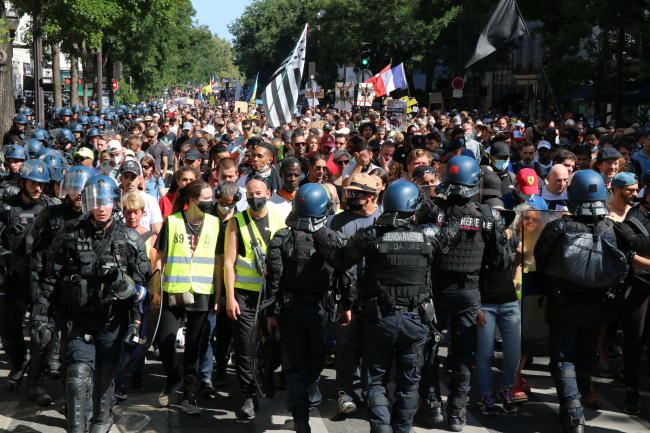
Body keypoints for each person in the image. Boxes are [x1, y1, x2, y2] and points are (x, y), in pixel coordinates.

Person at [313, 182, 460, 433]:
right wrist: (430, 206)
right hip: (416, 321)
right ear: (413, 206)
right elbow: (451, 229)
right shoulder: (428, 236)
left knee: (375, 381)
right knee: (408, 385)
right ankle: (401, 429)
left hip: (380, 320)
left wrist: (318, 234)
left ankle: (381, 428)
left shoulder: (370, 235)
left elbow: (339, 260)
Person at [32, 175, 150, 432]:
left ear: (115, 202)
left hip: (113, 320)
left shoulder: (130, 239)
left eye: (106, 201)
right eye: (96, 201)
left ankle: (101, 419)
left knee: (104, 374)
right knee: (76, 378)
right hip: (77, 317)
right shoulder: (69, 234)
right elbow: (50, 281)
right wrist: (41, 317)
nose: (101, 206)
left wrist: (136, 324)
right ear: (87, 202)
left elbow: (142, 290)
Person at [415, 155, 507, 432]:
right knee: (464, 352)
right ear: (473, 182)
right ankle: (457, 411)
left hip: (435, 290)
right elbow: (500, 261)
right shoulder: (488, 216)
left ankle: (431, 405)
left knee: (429, 348)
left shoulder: (431, 211)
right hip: (469, 291)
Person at [534, 170, 629, 433]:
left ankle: (573, 412)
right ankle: (583, 395)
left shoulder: (560, 226)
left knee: (563, 358)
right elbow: (623, 264)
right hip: (598, 304)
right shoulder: (611, 228)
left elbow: (541, 259)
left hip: (564, 303)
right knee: (585, 353)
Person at [265, 183, 356, 433]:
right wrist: (347, 306)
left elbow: (273, 279)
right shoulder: (334, 238)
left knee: (294, 364)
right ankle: (308, 403)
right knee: (315, 361)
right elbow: (347, 278)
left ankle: (300, 416)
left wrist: (270, 313)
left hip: (290, 310)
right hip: (321, 311)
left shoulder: (283, 237)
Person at [28, 165, 95, 406]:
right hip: (51, 284)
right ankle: (35, 385)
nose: (78, 194)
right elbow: (35, 250)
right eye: (75, 188)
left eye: (83, 189)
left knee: (75, 342)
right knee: (42, 335)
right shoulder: (51, 214)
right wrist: (37, 282)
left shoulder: (95, 217)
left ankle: (73, 395)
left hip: (80, 290)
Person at [153, 179, 221, 415]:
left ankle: (189, 396)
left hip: (203, 292)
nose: (212, 202)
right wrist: (155, 289)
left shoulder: (215, 223)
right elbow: (159, 257)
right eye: (207, 199)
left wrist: (218, 295)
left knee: (194, 346)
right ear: (192, 200)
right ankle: (173, 378)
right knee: (164, 340)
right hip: (174, 290)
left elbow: (218, 263)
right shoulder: (171, 222)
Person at [224, 177, 287, 417]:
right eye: (250, 195)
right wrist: (230, 298)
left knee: (273, 342)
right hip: (244, 295)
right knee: (245, 347)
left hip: (273, 294)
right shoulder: (236, 222)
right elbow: (228, 263)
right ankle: (249, 395)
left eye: (259, 193)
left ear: (268, 193)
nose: (255, 198)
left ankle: (267, 377)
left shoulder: (280, 218)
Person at [0, 159, 58, 396]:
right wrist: (10, 259)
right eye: (33, 183)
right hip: (14, 279)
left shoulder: (52, 209)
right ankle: (19, 364)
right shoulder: (5, 209)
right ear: (22, 182)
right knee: (8, 330)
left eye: (42, 185)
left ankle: (37, 384)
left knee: (41, 333)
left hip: (42, 281)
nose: (38, 188)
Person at [328, 173, 382, 414]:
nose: (348, 197)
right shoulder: (338, 221)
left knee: (371, 345)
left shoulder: (384, 219)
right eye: (348, 192)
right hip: (344, 295)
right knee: (345, 345)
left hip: (375, 295)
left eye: (354, 193)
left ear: (371, 196)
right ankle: (345, 392)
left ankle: (367, 390)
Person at [476, 198, 521, 416]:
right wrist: (475, 306)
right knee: (485, 355)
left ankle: (506, 391)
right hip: (485, 304)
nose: (498, 220)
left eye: (501, 216)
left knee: (513, 354)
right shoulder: (478, 241)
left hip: (510, 303)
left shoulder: (512, 238)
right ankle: (486, 395)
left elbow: (523, 254)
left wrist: (516, 275)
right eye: (494, 215)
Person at [113, 191, 158, 402]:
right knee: (122, 339)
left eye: (136, 212)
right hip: (120, 296)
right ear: (122, 213)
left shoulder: (151, 237)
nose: (132, 217)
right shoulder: (116, 234)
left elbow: (156, 269)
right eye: (128, 212)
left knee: (140, 339)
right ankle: (119, 380)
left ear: (143, 213)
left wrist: (154, 295)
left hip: (143, 296)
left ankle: (137, 374)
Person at [197, 181, 241, 395]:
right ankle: (205, 376)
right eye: (223, 203)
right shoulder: (206, 218)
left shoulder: (240, 220)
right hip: (207, 284)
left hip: (230, 286)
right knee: (206, 331)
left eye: (230, 204)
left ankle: (221, 368)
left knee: (224, 333)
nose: (226, 207)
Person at [118, 160, 163, 234]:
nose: (130, 181)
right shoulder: (114, 201)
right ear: (120, 179)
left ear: (139, 179)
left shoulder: (151, 200)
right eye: (126, 177)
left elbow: (157, 232)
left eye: (133, 177)